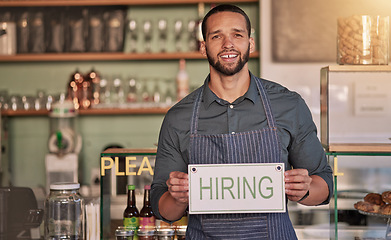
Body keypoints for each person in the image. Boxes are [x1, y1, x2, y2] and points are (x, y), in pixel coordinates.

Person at [151, 4, 333, 239]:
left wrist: (305, 189)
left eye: (237, 34)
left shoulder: (288, 105)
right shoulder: (178, 117)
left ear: (251, 43)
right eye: (217, 36)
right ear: (203, 47)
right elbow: (161, 205)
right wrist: (177, 198)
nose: (228, 44)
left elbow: (325, 183)